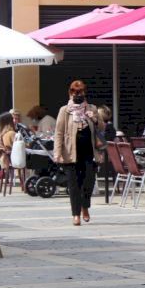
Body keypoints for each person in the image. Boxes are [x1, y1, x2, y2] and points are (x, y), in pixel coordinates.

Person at [54, 80, 106, 226]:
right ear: (70, 93)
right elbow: (59, 132)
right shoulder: (65, 110)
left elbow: (102, 127)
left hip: (89, 153)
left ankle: (85, 207)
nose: (78, 95)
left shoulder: (92, 108)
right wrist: (57, 152)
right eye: (75, 92)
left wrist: (94, 118)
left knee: (89, 182)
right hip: (71, 153)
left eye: (81, 92)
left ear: (85, 92)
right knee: (74, 185)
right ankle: (76, 214)